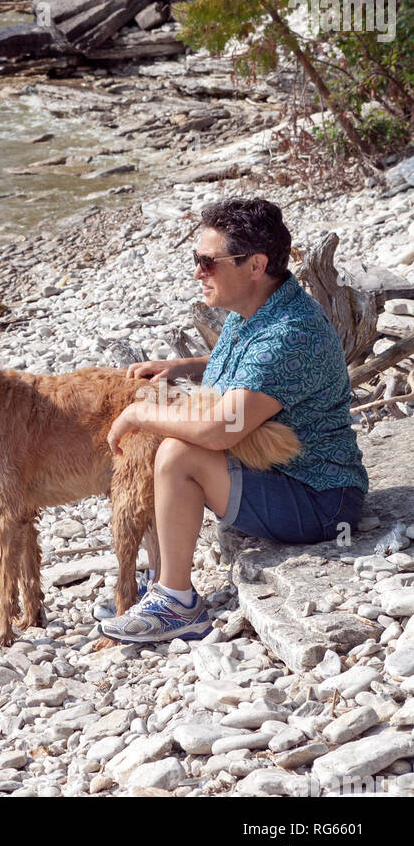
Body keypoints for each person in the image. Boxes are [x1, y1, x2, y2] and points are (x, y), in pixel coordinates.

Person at [97, 196, 367, 643]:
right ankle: (161, 586)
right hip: (283, 475)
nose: (199, 271)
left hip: (321, 501)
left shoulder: (287, 333)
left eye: (208, 261)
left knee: (181, 453)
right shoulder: (262, 308)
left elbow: (221, 430)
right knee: (174, 440)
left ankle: (177, 604)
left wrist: (141, 412)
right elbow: (247, 366)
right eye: (196, 259)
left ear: (256, 264)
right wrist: (185, 367)